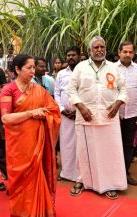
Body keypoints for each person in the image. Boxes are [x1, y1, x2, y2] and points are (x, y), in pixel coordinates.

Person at [0, 54, 61, 217]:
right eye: (29, 68)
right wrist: (31, 113)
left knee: (37, 179)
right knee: (20, 183)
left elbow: (53, 110)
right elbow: (6, 118)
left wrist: (45, 115)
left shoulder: (38, 90)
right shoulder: (8, 90)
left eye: (34, 67)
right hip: (19, 146)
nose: (33, 71)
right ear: (17, 69)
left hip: (37, 144)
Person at [67, 36, 128, 200]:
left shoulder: (114, 68)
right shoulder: (80, 67)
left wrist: (117, 104)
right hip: (87, 117)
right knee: (84, 152)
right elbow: (71, 91)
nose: (99, 49)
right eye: (96, 47)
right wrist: (81, 107)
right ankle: (83, 181)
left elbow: (124, 90)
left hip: (109, 116)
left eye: (102, 47)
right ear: (90, 50)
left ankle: (109, 184)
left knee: (109, 152)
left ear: (106, 49)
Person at [117, 41, 137, 186]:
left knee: (128, 145)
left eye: (130, 52)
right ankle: (114, 174)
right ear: (119, 52)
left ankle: (125, 173)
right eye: (125, 52)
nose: (127, 54)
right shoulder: (111, 68)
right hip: (115, 114)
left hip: (133, 113)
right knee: (114, 144)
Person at [54, 46, 80, 182]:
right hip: (65, 115)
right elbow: (57, 93)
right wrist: (62, 109)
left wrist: (79, 111)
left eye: (73, 55)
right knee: (66, 144)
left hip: (82, 115)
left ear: (79, 56)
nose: (70, 57)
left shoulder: (85, 72)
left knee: (80, 144)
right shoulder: (61, 74)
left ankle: (80, 174)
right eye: (68, 55)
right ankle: (66, 172)